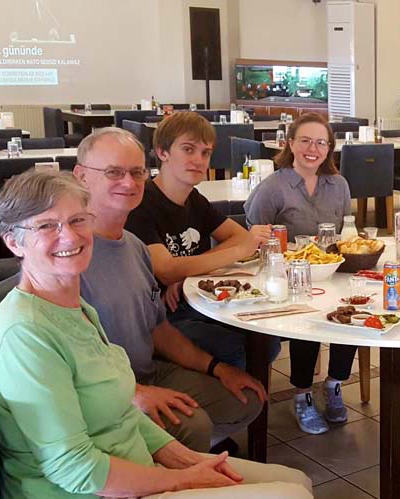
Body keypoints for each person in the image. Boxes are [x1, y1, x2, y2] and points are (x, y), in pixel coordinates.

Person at [0, 170, 312, 499]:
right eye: (46, 226)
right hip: (86, 490)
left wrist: (182, 459)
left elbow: (119, 409)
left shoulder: (76, 307)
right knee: (292, 495)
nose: (70, 236)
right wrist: (181, 480)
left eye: (77, 220)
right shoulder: (24, 334)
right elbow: (75, 468)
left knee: (297, 480)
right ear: (13, 242)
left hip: (128, 464)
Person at [74, 127, 266, 453]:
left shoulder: (134, 246)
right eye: (113, 172)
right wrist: (131, 392)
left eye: (137, 173)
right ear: (80, 176)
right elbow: (67, 360)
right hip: (101, 391)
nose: (129, 182)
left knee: (247, 399)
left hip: (150, 370)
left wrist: (217, 368)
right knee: (194, 425)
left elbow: (158, 329)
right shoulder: (68, 253)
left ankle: (171, 450)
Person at [124, 111, 277, 370]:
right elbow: (166, 269)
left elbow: (237, 236)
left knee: (266, 336)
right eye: (188, 149)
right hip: (160, 319)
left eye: (205, 153)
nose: (198, 160)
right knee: (245, 346)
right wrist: (240, 249)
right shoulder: (142, 204)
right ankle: (225, 395)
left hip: (194, 298)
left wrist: (189, 272)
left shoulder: (194, 199)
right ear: (162, 152)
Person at [244, 113, 356, 435]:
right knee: (308, 319)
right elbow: (254, 239)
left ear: (329, 148)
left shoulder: (339, 185)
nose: (313, 148)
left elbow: (344, 233)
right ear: (290, 143)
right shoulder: (273, 187)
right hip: (290, 276)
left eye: (321, 142)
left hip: (333, 271)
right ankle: (303, 393)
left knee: (352, 310)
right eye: (305, 140)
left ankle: (334, 384)